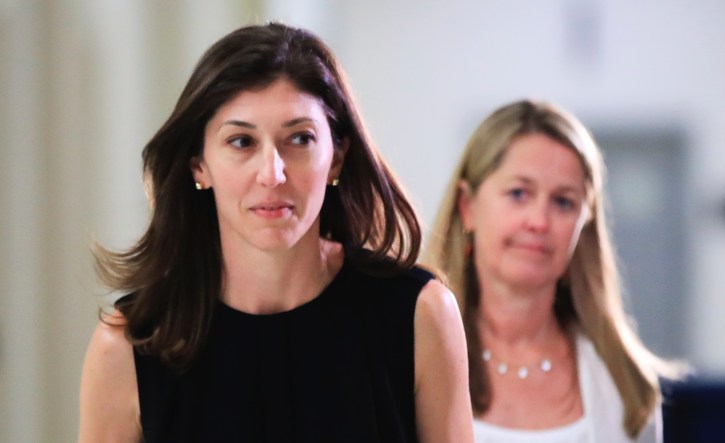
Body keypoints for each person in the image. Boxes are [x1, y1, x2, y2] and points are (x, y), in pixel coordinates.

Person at [79, 23, 473, 443]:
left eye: (299, 138)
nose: (272, 173)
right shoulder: (128, 345)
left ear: (337, 157)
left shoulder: (420, 315)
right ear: (198, 165)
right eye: (241, 142)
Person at [426, 100, 681, 442]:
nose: (539, 222)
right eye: (519, 193)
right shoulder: (407, 357)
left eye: (563, 202)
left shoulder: (623, 381)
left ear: (584, 222)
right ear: (467, 207)